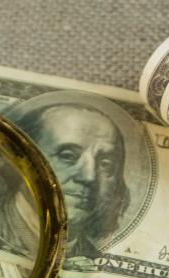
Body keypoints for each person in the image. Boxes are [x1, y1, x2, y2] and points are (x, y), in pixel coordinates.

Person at [15, 103, 131, 258]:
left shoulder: (96, 259)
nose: (89, 177)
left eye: (105, 165)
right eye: (68, 156)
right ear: (22, 159)